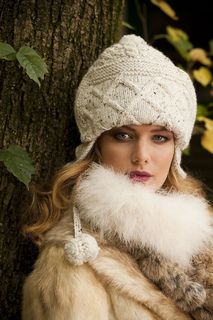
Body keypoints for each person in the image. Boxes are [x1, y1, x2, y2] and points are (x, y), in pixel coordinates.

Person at [22, 35, 213, 320]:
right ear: (96, 144)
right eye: (123, 136)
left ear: (175, 149)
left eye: (160, 137)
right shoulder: (73, 260)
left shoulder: (200, 233)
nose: (142, 156)